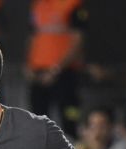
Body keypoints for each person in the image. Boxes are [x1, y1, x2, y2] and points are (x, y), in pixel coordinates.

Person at [25, 0, 88, 138]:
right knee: (37, 120)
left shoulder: (72, 5)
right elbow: (33, 36)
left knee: (70, 117)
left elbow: (78, 40)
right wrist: (29, 65)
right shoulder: (39, 5)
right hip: (39, 72)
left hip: (65, 73)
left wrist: (56, 69)